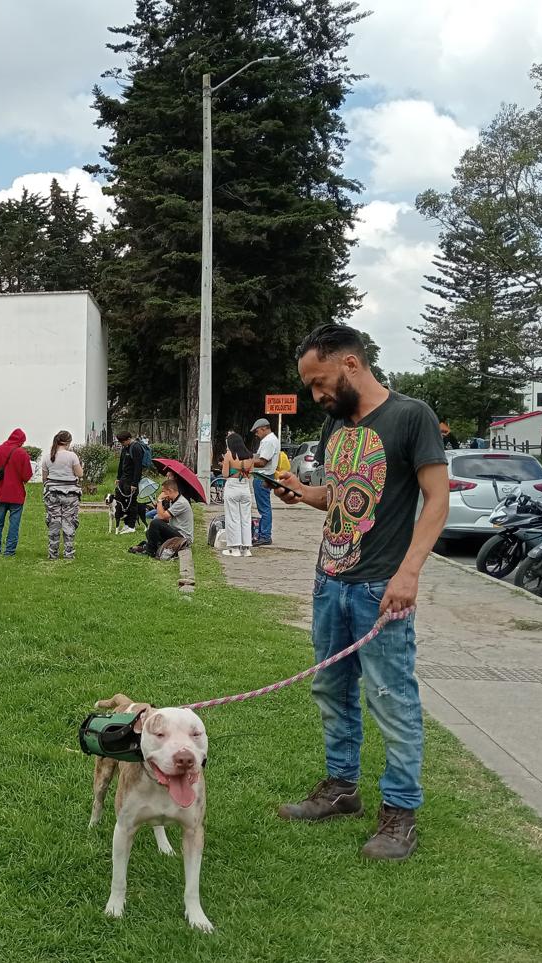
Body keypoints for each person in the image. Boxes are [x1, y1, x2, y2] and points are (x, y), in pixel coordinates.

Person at [273, 323, 448, 861]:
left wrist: (409, 572)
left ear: (350, 364)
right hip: (330, 580)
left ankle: (399, 814)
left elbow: (436, 499)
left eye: (320, 382)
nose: (316, 395)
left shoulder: (410, 416)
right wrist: (307, 494)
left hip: (381, 589)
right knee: (332, 691)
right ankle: (341, 788)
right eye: (309, 387)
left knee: (392, 699)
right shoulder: (335, 427)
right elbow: (342, 494)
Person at [39, 430, 84, 560]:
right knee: (69, 522)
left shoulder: (47, 457)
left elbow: (44, 479)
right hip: (70, 494)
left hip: (52, 493)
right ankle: (68, 553)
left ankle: (52, 553)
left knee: (54, 522)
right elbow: (79, 474)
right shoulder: (72, 456)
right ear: (68, 442)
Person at [0, 428, 33, 557]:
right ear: (21, 440)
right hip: (17, 494)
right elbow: (27, 476)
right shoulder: (22, 454)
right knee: (14, 524)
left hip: (2, 492)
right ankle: (9, 550)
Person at [131, 477, 193, 558]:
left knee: (155, 522)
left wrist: (159, 500)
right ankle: (153, 547)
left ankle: (151, 551)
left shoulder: (181, 502)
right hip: (176, 532)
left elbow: (161, 517)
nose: (162, 494)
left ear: (170, 490)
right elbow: (166, 518)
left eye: (164, 491)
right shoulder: (173, 501)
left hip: (183, 538)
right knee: (150, 532)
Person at [221, 432, 254, 558]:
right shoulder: (250, 456)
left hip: (232, 486)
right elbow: (251, 474)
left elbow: (224, 474)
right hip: (245, 487)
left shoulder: (229, 455)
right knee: (246, 518)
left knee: (233, 517)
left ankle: (234, 548)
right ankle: (246, 549)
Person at [250, 417, 280, 546]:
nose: (256, 435)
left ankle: (265, 535)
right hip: (266, 476)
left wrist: (246, 462)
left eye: (257, 432)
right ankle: (264, 534)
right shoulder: (270, 440)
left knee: (264, 508)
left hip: (263, 476)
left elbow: (262, 462)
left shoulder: (268, 441)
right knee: (264, 507)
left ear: (263, 428)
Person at [113, 430, 147, 534]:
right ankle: (126, 524)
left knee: (131, 503)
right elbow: (121, 463)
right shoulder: (125, 448)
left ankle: (132, 525)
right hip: (123, 478)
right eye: (120, 443)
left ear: (128, 439)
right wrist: (118, 477)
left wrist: (134, 483)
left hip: (131, 480)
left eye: (123, 442)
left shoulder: (136, 448)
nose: (122, 444)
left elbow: (138, 467)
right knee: (121, 501)